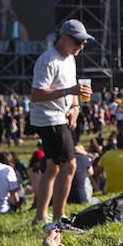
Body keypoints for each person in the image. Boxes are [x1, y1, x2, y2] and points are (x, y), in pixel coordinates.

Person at [30, 19, 94, 224]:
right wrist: (69, 92)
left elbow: (73, 88)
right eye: (77, 42)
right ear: (64, 38)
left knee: (53, 168)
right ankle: (59, 218)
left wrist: (75, 108)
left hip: (59, 118)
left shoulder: (69, 58)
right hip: (50, 120)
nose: (81, 47)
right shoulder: (48, 60)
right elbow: (37, 94)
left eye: (84, 43)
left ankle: (41, 216)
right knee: (69, 167)